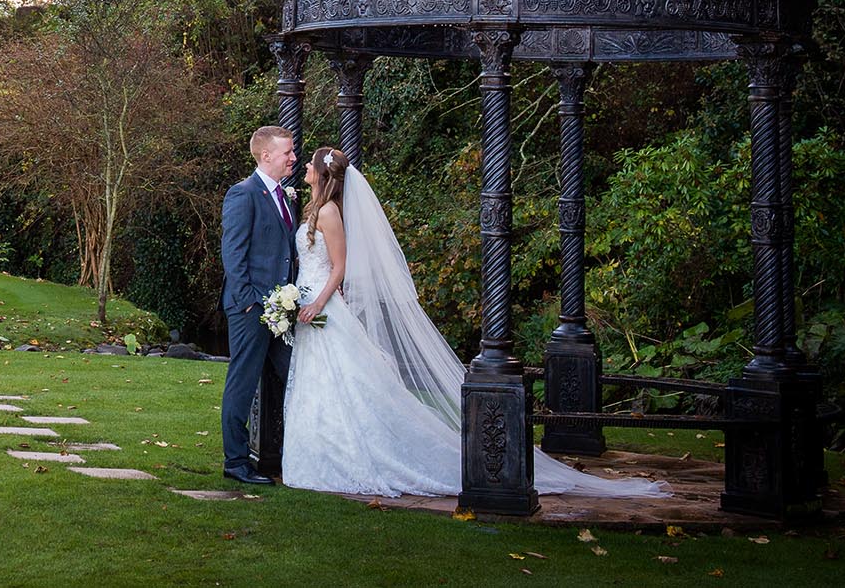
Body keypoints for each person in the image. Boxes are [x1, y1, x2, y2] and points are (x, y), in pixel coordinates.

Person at [281, 146, 667, 499]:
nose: (305, 170)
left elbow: (341, 267)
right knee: (321, 383)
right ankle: (320, 451)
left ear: (321, 172)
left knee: (346, 385)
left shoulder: (330, 212)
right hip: (309, 307)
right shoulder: (314, 208)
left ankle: (354, 455)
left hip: (322, 309)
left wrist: (316, 302)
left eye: (310, 166)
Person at [218, 125, 299, 485]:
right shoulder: (243, 194)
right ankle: (235, 462)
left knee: (296, 377)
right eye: (288, 152)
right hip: (251, 309)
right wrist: (252, 304)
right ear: (266, 156)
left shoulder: (284, 196)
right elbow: (233, 257)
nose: (293, 157)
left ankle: (289, 454)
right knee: (243, 382)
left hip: (282, 310)